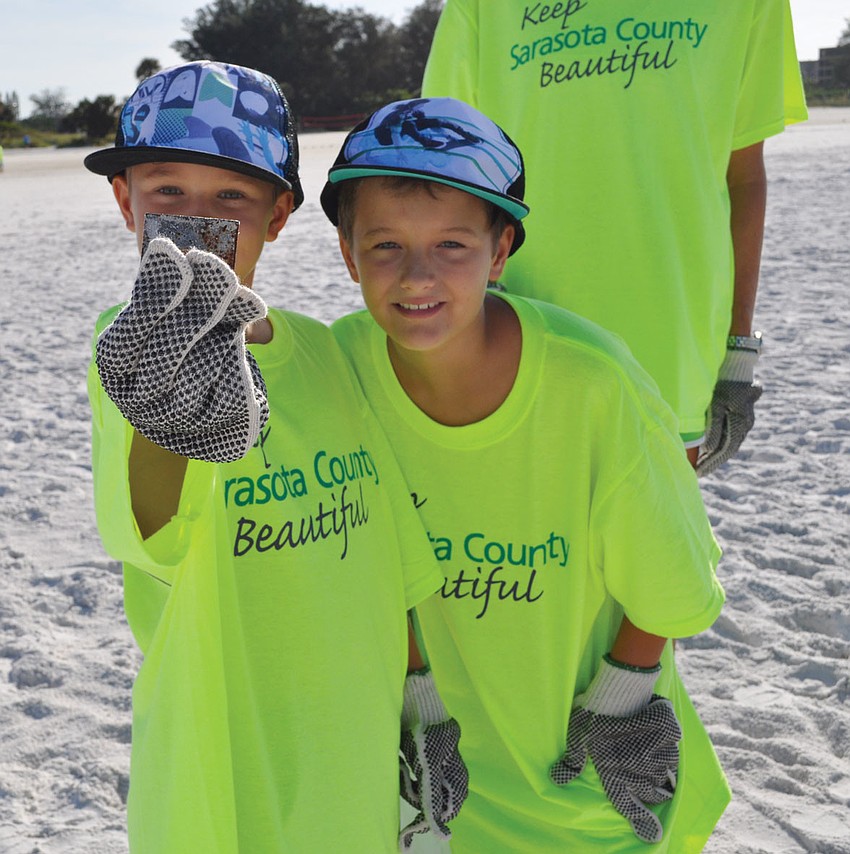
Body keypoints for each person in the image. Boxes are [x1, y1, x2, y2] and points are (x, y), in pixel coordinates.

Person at [323, 96, 728, 852]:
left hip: (584, 781)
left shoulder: (593, 383)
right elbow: (370, 556)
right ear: (347, 252)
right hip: (434, 783)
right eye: (384, 246)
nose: (418, 275)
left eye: (452, 245)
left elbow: (673, 582)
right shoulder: (338, 373)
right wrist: (417, 698)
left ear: (501, 250)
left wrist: (620, 700)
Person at [83, 61, 453, 853]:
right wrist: (166, 428)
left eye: (231, 198)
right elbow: (150, 536)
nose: (197, 218)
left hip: (352, 753)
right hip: (223, 771)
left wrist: (421, 693)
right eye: (168, 192)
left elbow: (388, 544)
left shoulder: (322, 352)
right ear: (126, 202)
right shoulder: (128, 352)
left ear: (279, 213)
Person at [421, 0, 808, 474]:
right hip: (520, 327)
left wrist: (739, 351)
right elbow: (452, 166)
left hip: (673, 341)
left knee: (651, 545)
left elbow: (743, 176)